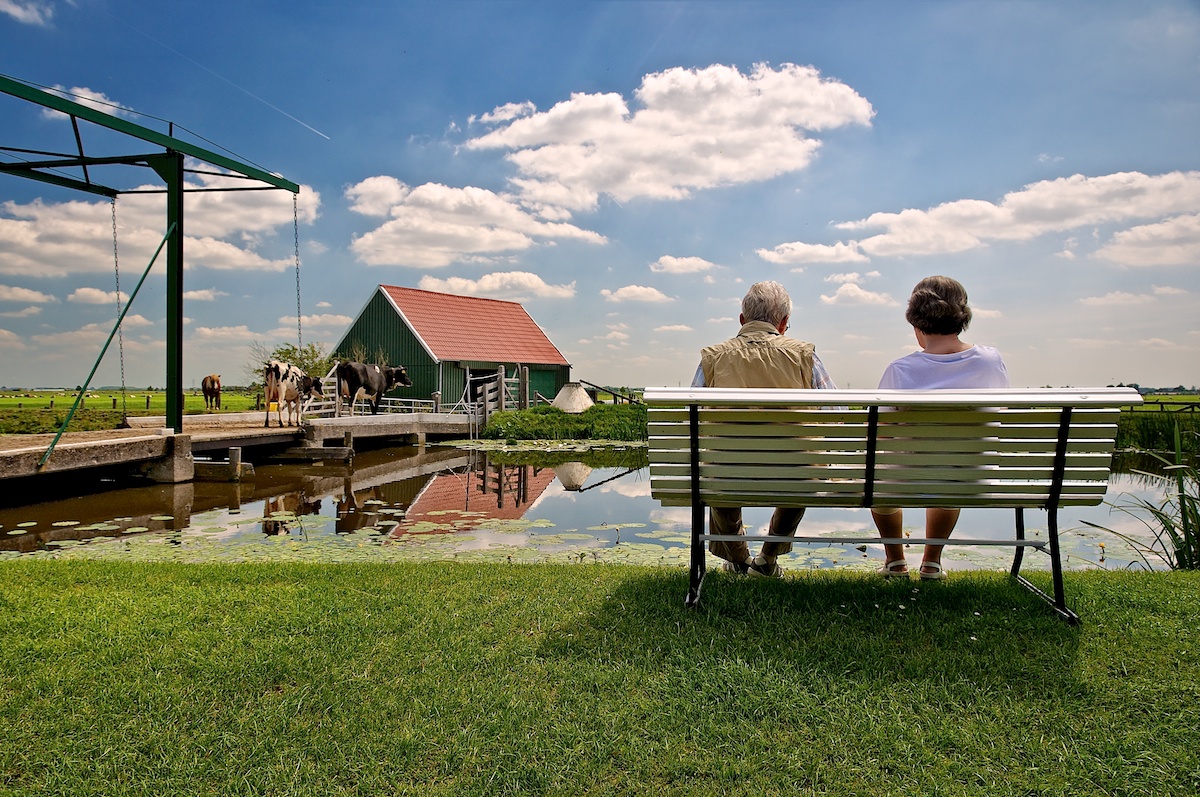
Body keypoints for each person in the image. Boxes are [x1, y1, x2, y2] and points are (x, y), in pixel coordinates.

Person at [691, 280, 837, 578]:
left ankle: (740, 560)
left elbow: (692, 420)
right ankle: (767, 559)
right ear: (783, 323)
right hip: (794, 475)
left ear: (742, 320)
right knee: (804, 466)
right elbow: (837, 415)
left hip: (727, 475)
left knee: (718, 468)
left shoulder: (713, 357)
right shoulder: (805, 355)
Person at [871, 275, 1010, 580]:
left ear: (916, 324)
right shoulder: (990, 360)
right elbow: (999, 415)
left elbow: (881, 434)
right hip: (971, 477)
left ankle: (896, 562)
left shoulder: (900, 369)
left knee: (882, 483)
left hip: (906, 478)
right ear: (963, 319)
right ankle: (931, 562)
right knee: (950, 472)